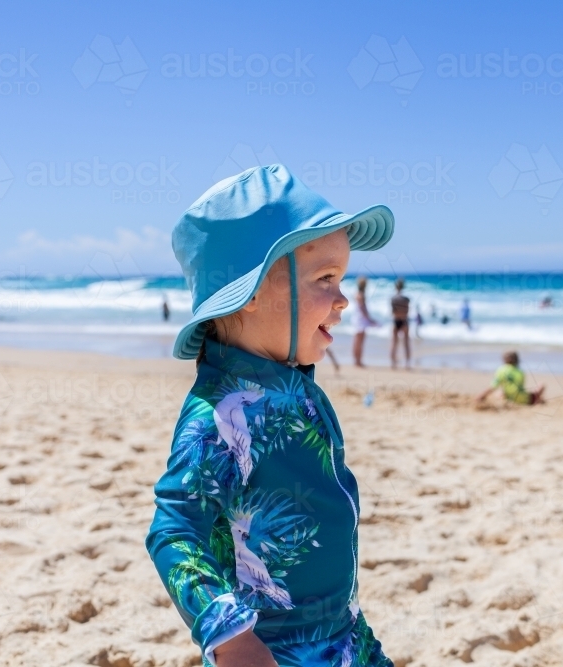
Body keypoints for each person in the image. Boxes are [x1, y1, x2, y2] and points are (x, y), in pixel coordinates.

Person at [146, 165, 393, 667]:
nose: (343, 299)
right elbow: (173, 529)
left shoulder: (292, 382)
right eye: (326, 279)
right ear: (251, 292)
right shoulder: (217, 414)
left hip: (343, 632)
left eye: (342, 279)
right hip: (275, 650)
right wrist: (233, 640)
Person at [476, 351, 545, 406]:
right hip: (524, 400)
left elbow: (492, 387)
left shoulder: (501, 370)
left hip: (509, 398)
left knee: (500, 392)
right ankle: (538, 399)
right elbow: (520, 387)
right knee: (541, 385)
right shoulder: (520, 371)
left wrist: (481, 396)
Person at [351, 276, 377, 367]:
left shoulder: (357, 294)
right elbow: (363, 309)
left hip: (357, 318)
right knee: (360, 341)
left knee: (357, 340)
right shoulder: (361, 295)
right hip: (361, 319)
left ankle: (356, 360)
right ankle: (358, 361)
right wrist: (370, 319)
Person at [390, 277, 411, 369]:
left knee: (394, 343)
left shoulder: (393, 299)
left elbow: (393, 312)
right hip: (404, 320)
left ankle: (393, 363)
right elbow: (407, 311)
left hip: (396, 321)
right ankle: (407, 363)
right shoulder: (406, 299)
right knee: (406, 343)